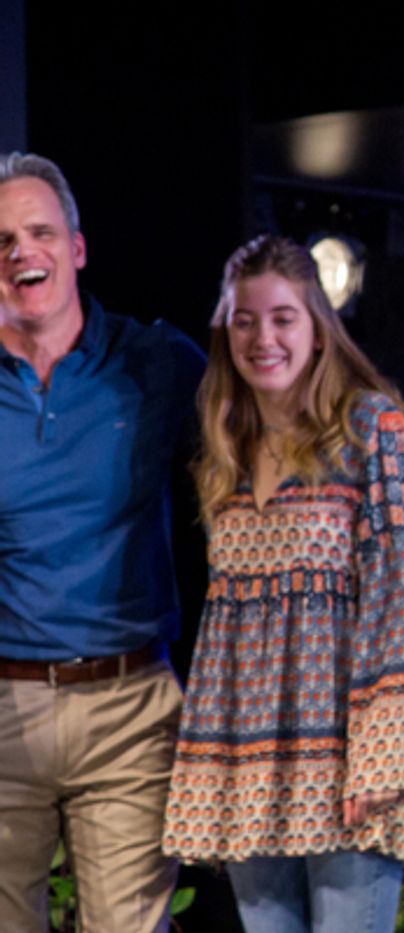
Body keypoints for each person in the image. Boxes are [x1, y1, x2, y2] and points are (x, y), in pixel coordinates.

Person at [161, 235, 404, 933]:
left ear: (317, 327)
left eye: (283, 317)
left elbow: (399, 594)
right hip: (247, 761)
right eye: (245, 319)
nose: (263, 337)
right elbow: (227, 624)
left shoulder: (373, 428)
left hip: (348, 758)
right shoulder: (224, 448)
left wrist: (378, 756)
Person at [0, 151, 204, 933]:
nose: (22, 252)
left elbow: (265, 442)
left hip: (129, 707)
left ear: (76, 249)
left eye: (40, 231)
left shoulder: (157, 364)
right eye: (4, 239)